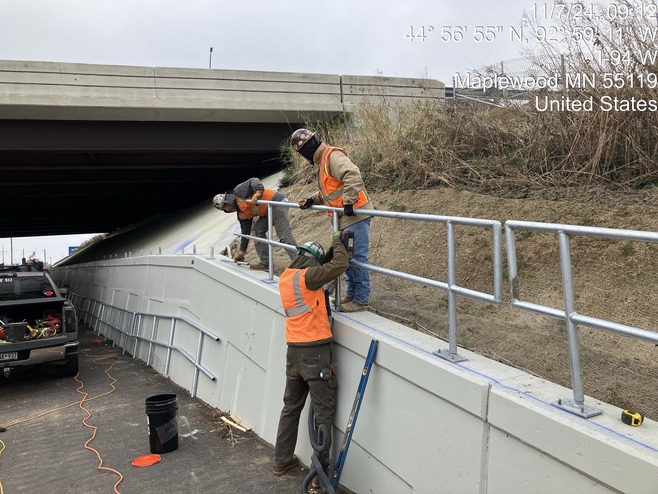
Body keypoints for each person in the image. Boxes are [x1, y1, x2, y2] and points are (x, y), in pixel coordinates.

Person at [273, 231, 349, 479]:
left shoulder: (286, 277)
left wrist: (322, 256)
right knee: (323, 413)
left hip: (293, 352)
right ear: (313, 263)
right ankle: (320, 477)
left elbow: (319, 272)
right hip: (315, 353)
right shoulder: (310, 276)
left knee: (290, 408)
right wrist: (338, 241)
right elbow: (340, 264)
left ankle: (281, 460)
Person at [290, 128, 374, 312]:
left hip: (355, 215)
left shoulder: (332, 157)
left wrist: (349, 202)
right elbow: (331, 191)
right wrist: (313, 199)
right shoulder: (323, 161)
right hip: (345, 219)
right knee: (348, 259)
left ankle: (361, 300)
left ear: (305, 151)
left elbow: (353, 174)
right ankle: (352, 295)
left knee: (357, 258)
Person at [213, 177, 297, 270]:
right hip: (267, 211)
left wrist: (258, 192)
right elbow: (245, 234)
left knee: (283, 233)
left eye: (225, 205)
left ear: (228, 199)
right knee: (256, 231)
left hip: (276, 202)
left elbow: (254, 180)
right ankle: (266, 263)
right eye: (224, 209)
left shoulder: (239, 192)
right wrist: (241, 252)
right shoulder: (242, 215)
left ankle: (299, 262)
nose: (227, 209)